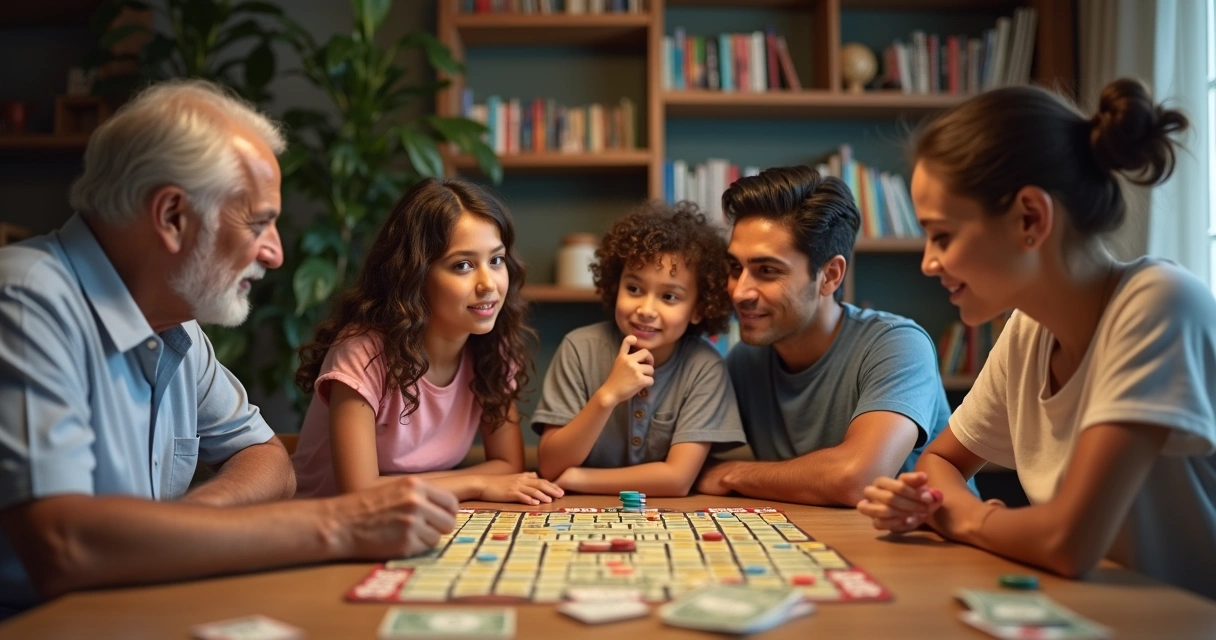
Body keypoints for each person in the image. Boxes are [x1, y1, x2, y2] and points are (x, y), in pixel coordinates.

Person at [0, 80, 458, 615]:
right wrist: (338, 524)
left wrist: (185, 526)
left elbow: (268, 460)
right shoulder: (26, 300)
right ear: (172, 216)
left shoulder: (175, 324)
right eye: (259, 222)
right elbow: (63, 545)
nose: (277, 253)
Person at [855, 79, 1216, 600]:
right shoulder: (1028, 329)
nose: (929, 262)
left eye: (943, 236)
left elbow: (1066, 541)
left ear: (1031, 217)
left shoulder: (1160, 303)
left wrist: (962, 518)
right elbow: (941, 462)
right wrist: (937, 502)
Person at [697, 165, 964, 507]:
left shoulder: (896, 345)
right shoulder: (746, 361)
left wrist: (730, 473)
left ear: (830, 276)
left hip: (929, 551)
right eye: (735, 268)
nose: (738, 292)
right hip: (827, 543)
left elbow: (857, 478)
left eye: (767, 271)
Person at [291, 178, 563, 505]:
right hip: (328, 532)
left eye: (496, 260)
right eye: (462, 265)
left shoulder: (492, 348)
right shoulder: (362, 352)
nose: (488, 284)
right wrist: (475, 483)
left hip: (417, 518)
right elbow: (360, 494)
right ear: (415, 275)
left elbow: (508, 466)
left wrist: (467, 483)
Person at [534, 202, 746, 496]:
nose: (646, 310)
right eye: (634, 289)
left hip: (666, 518)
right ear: (615, 284)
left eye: (669, 296)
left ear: (698, 309)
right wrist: (608, 396)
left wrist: (578, 479)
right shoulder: (579, 349)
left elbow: (677, 480)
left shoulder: (704, 366)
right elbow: (551, 465)